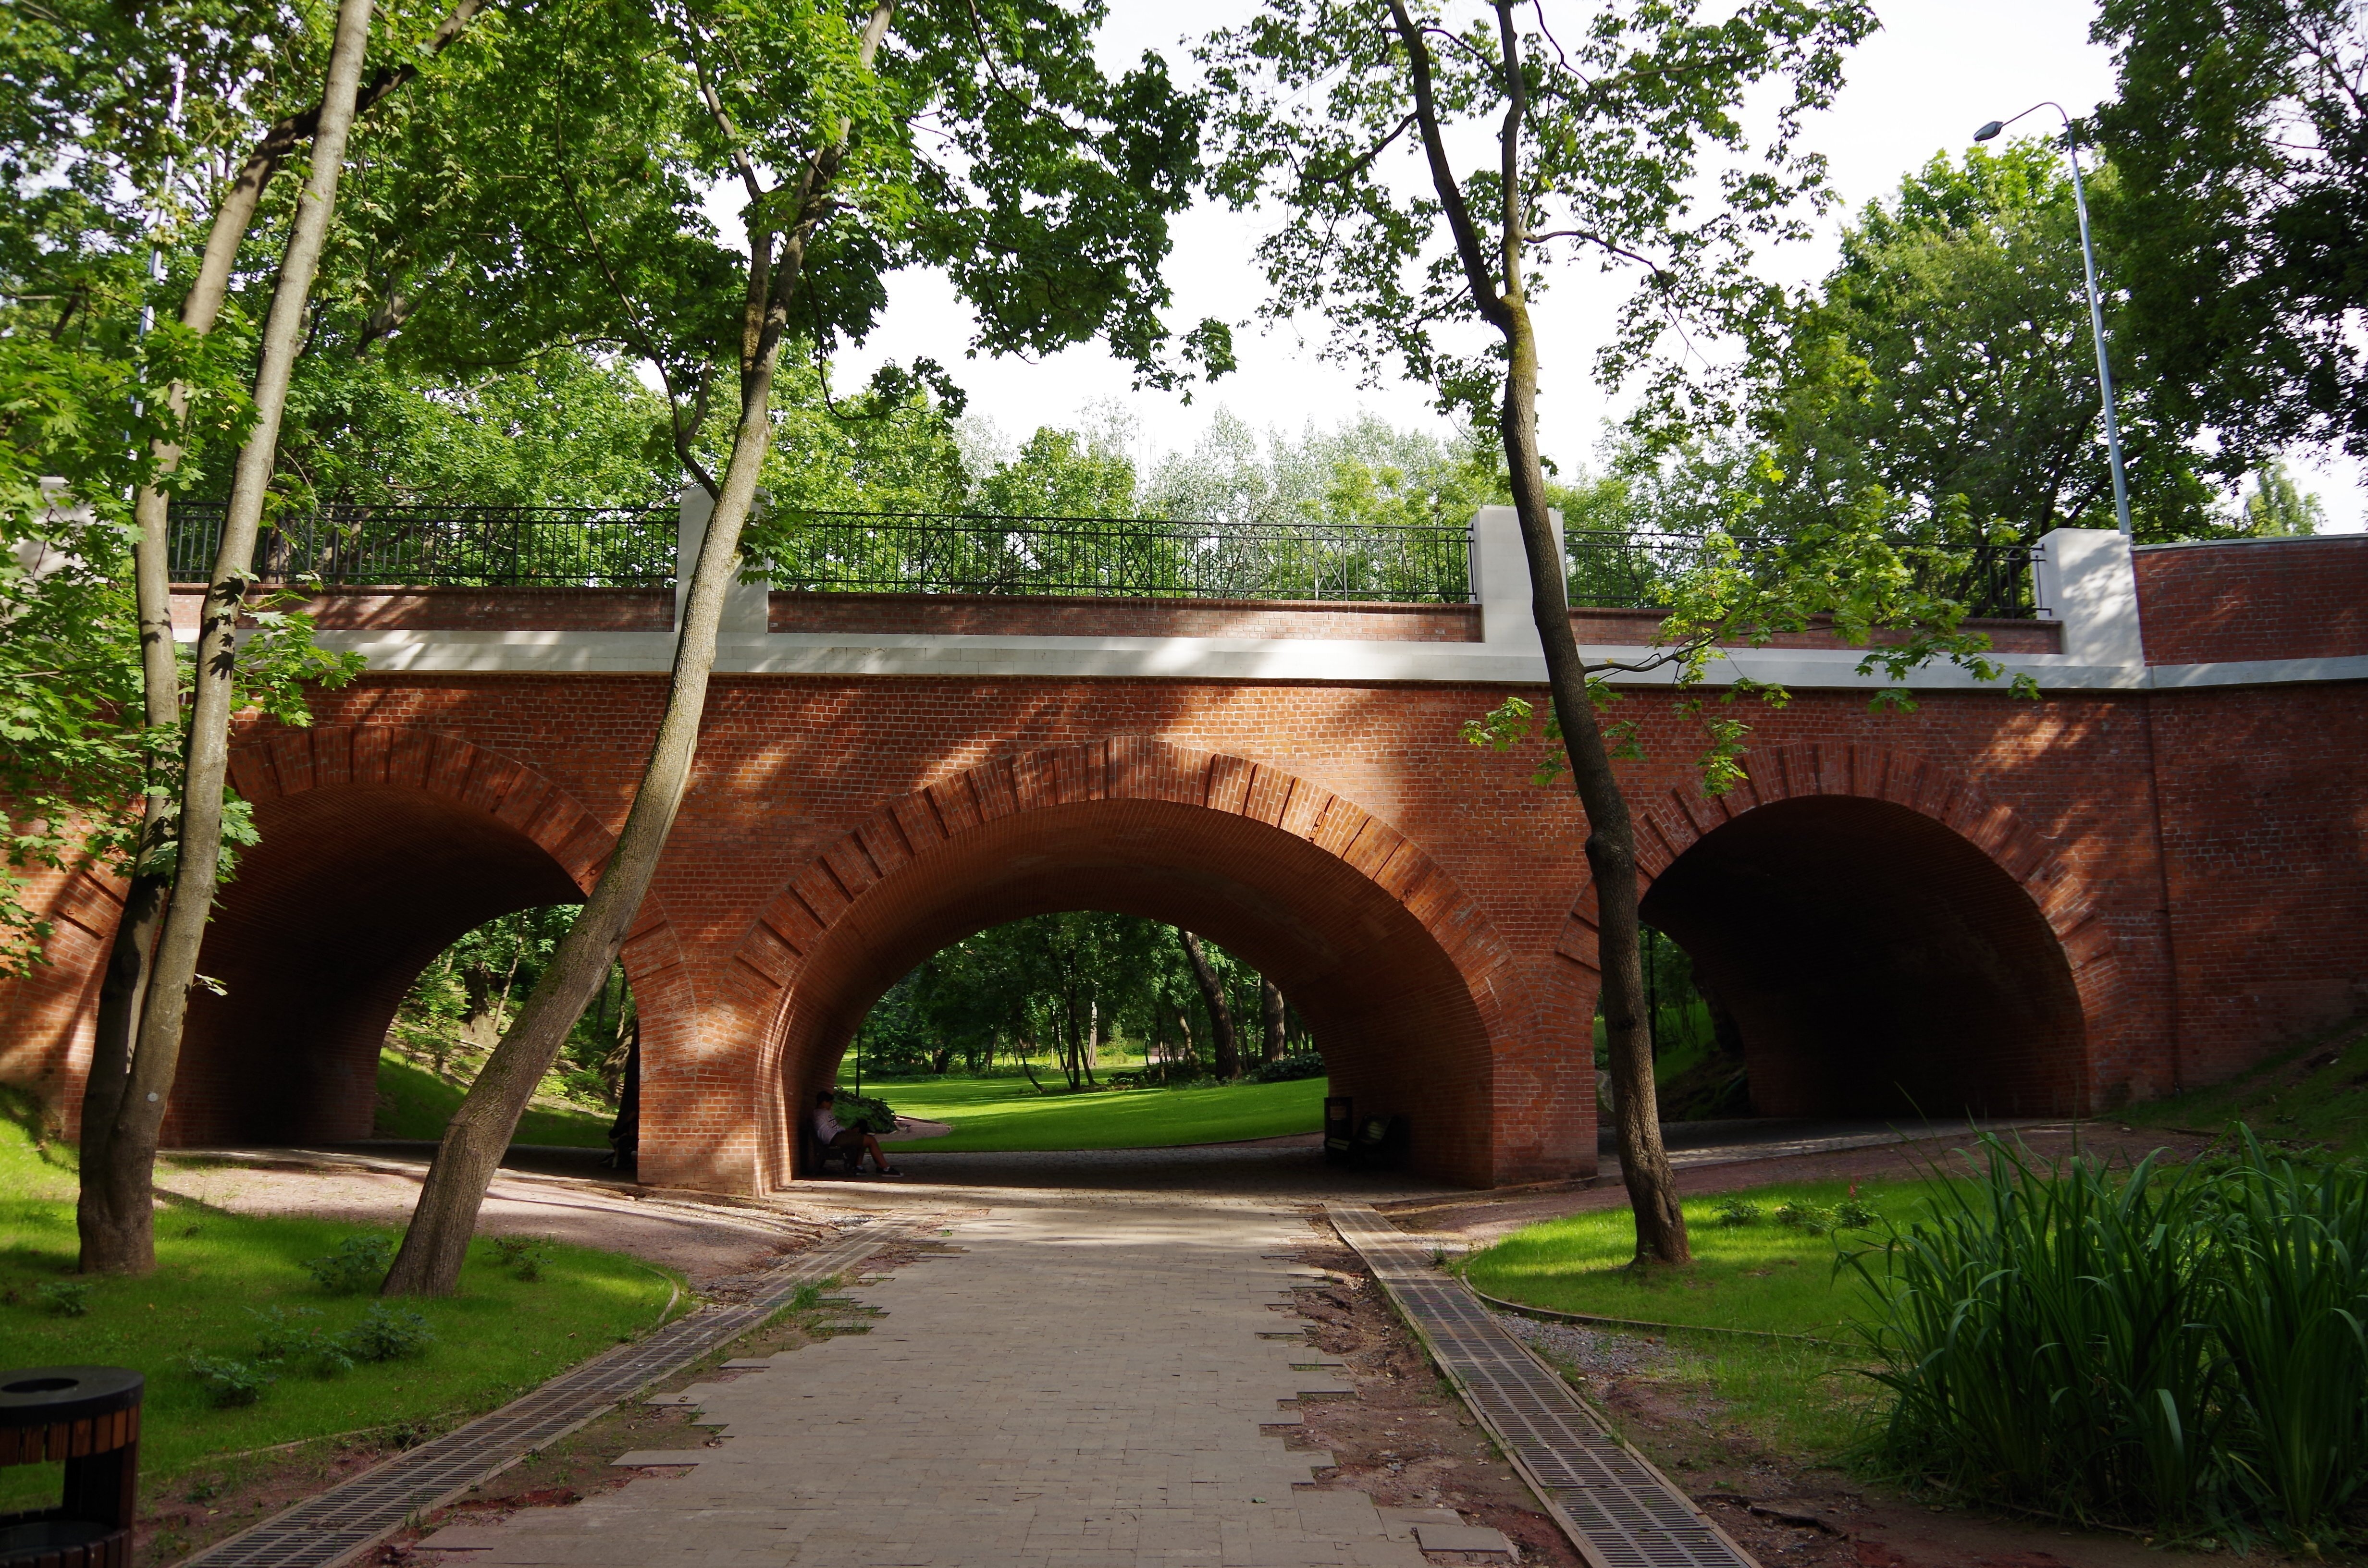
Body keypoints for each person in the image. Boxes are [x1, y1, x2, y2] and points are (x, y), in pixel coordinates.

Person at [811, 1089, 901, 1176]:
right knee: (871, 1140)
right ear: (823, 1102)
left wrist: (849, 1131)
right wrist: (849, 1132)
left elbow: (834, 1127)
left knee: (863, 1133)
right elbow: (836, 1128)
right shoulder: (824, 1113)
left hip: (833, 1138)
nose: (831, 1105)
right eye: (830, 1102)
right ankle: (885, 1167)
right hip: (836, 1139)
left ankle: (860, 1166)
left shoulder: (818, 1113)